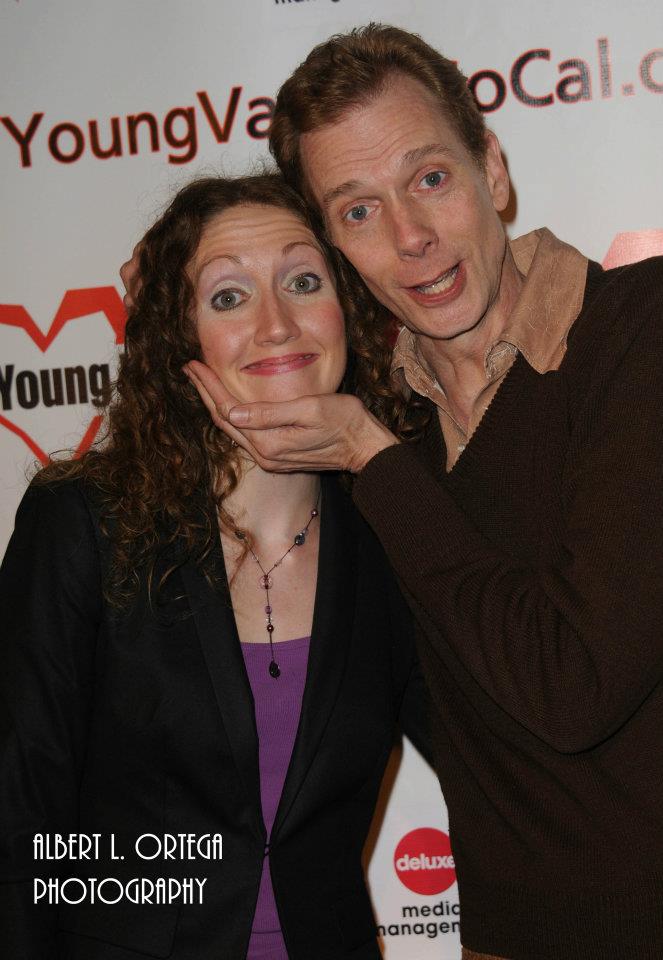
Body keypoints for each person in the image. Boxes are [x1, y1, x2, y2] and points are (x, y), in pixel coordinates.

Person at [179, 24, 663, 960]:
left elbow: (571, 685)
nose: (409, 237)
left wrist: (371, 457)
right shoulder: (387, 430)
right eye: (356, 211)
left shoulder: (633, 335)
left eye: (429, 179)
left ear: (493, 167)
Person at [0, 173, 432, 960]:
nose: (275, 324)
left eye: (304, 282)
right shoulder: (83, 523)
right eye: (228, 297)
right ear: (178, 336)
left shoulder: (394, 536)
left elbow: (510, 749)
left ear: (350, 314)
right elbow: (18, 814)